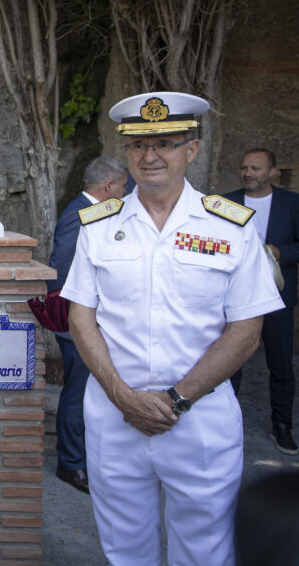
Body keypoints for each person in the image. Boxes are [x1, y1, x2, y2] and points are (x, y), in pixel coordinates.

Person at [62, 91, 283, 566]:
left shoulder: (232, 228)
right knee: (124, 550)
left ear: (193, 149)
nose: (151, 155)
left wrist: (177, 398)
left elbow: (246, 329)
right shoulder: (97, 225)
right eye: (140, 145)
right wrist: (122, 396)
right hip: (115, 415)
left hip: (198, 418)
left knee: (205, 552)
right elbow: (81, 315)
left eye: (166, 142)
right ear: (126, 153)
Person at [46, 155, 128, 494]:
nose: (126, 193)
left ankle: (87, 456)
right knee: (77, 394)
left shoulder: (98, 212)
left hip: (94, 322)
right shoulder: (80, 215)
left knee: (90, 393)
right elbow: (62, 271)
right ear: (108, 186)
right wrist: (73, 325)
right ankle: (71, 463)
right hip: (79, 324)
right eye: (123, 187)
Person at [225, 148, 299, 455]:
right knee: (230, 363)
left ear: (272, 172)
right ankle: (227, 427)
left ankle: (281, 426)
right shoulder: (226, 203)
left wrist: (281, 252)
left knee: (281, 364)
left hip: (277, 298)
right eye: (244, 168)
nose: (248, 173)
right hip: (235, 297)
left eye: (255, 168)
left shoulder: (292, 203)